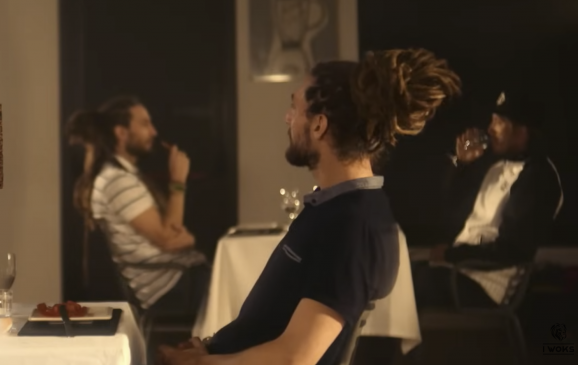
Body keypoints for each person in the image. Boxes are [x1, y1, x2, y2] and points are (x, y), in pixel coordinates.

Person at [158, 49, 462, 365]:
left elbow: (296, 358)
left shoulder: (352, 225)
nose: (287, 118)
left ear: (318, 125)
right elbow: (270, 322)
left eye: (295, 107)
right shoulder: (339, 207)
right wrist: (211, 348)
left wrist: (199, 363)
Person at [414, 89, 563, 309]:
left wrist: (450, 255)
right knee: (397, 272)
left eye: (499, 122)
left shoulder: (539, 177)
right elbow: (449, 211)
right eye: (492, 120)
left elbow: (512, 249)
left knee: (417, 283)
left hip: (488, 285)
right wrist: (461, 163)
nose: (490, 129)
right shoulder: (496, 168)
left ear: (522, 131)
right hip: (458, 270)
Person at [66, 96, 207, 314]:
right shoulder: (118, 182)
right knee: (248, 292)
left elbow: (170, 232)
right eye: (145, 124)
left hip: (178, 276)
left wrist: (182, 240)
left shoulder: (122, 176)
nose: (154, 132)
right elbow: (169, 238)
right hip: (168, 286)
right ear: (121, 133)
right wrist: (178, 182)